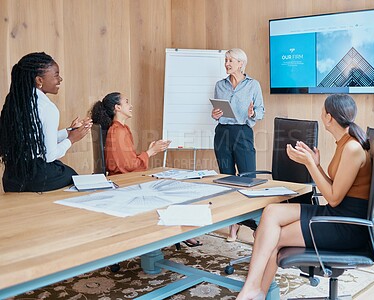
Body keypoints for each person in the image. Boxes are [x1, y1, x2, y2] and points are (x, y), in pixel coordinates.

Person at [236, 94, 372, 300]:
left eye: (322, 111)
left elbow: (334, 198)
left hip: (347, 225)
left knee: (273, 238)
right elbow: (335, 188)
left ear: (329, 117)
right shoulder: (344, 142)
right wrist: (316, 164)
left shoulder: (352, 147)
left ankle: (256, 292)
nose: (321, 114)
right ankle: (253, 289)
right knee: (272, 211)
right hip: (337, 212)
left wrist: (310, 164)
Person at [90, 92, 202, 247]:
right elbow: (127, 166)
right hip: (124, 181)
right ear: (118, 107)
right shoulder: (118, 131)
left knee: (170, 185)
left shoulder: (122, 129)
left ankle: (179, 230)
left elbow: (127, 160)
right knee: (170, 189)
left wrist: (150, 151)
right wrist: (150, 152)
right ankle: (179, 231)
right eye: (127, 102)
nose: (131, 105)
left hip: (127, 177)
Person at [0, 52, 92, 192]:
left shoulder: (13, 103)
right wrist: (71, 140)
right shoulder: (48, 108)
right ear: (39, 80)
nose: (60, 79)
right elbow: (49, 155)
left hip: (12, 177)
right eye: (56, 75)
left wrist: (67, 132)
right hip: (37, 177)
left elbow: (36, 139)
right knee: (72, 175)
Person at [211, 48, 265, 242]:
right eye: (226, 60)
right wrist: (215, 114)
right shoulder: (220, 85)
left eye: (230, 60)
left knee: (248, 178)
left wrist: (252, 114)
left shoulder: (253, 85)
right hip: (222, 132)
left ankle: (256, 226)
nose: (227, 64)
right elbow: (218, 111)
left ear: (241, 63)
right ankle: (234, 225)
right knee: (227, 179)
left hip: (243, 132)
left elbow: (260, 111)